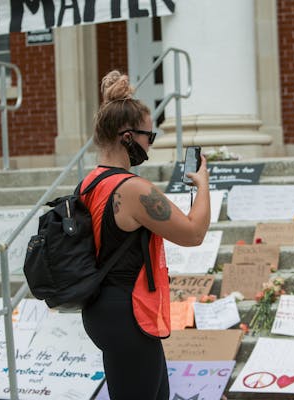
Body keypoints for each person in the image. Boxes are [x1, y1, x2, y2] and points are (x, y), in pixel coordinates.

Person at [81, 70, 211, 399]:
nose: (149, 144)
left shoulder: (90, 182)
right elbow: (194, 233)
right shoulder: (134, 189)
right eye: (148, 137)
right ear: (127, 137)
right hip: (130, 311)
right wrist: (204, 183)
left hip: (102, 308)